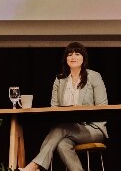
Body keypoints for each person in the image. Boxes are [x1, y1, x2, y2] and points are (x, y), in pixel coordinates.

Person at [20, 42, 108, 171]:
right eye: (70, 54)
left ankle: (35, 165)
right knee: (62, 144)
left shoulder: (94, 77)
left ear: (83, 58)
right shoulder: (59, 80)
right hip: (68, 128)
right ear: (65, 58)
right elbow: (54, 108)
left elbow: (103, 106)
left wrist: (80, 110)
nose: (73, 57)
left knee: (61, 128)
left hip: (93, 129)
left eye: (77, 54)